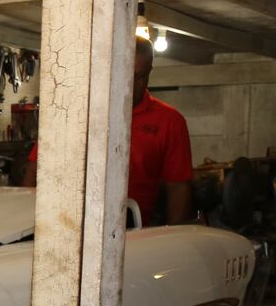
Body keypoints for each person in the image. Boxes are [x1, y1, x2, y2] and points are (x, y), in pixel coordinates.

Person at [21, 37, 195, 225]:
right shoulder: (74, 112)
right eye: (123, 74)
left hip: (133, 231)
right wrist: (25, 222)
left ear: (149, 71)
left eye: (138, 77)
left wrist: (175, 239)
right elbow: (36, 168)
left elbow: (178, 187)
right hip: (67, 224)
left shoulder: (169, 121)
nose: (129, 85)